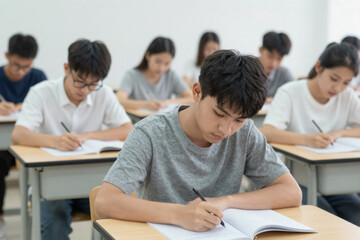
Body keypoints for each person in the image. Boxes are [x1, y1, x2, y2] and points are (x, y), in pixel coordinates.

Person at [95, 50, 302, 232]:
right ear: (197, 92)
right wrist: (180, 214)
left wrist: (225, 202)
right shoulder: (149, 133)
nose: (226, 129)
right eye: (219, 113)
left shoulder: (245, 132)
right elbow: (105, 202)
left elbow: (291, 192)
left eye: (238, 120)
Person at [12, 39, 132, 239]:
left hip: (92, 180)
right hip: (51, 183)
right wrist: (56, 141)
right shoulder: (41, 92)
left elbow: (127, 129)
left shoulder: (103, 94)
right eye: (80, 81)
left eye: (93, 84)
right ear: (67, 68)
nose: (85, 90)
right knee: (54, 223)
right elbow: (19, 134)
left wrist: (86, 136)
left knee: (118, 215)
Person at [260, 43, 360, 226]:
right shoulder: (290, 92)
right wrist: (308, 140)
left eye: (346, 82)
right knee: (327, 222)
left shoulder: (347, 96)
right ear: (319, 67)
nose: (338, 88)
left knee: (356, 218)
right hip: (294, 177)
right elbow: (267, 132)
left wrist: (338, 133)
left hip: (333, 178)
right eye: (334, 78)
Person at [0, 33, 46, 240]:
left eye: (26, 67)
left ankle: (39, 213)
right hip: (4, 148)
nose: (21, 72)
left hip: (32, 143)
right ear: (7, 55)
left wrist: (21, 106)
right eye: (17, 65)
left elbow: (47, 107)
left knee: (42, 164)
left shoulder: (38, 77)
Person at [116, 37, 193, 112]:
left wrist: (167, 103)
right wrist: (146, 105)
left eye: (167, 63)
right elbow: (120, 99)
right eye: (158, 61)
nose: (161, 68)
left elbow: (192, 98)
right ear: (148, 55)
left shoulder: (171, 76)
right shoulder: (132, 75)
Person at [258, 31, 294, 103]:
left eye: (279, 59)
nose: (273, 63)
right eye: (270, 56)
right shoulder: (246, 69)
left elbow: (295, 94)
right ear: (261, 50)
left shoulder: (284, 73)